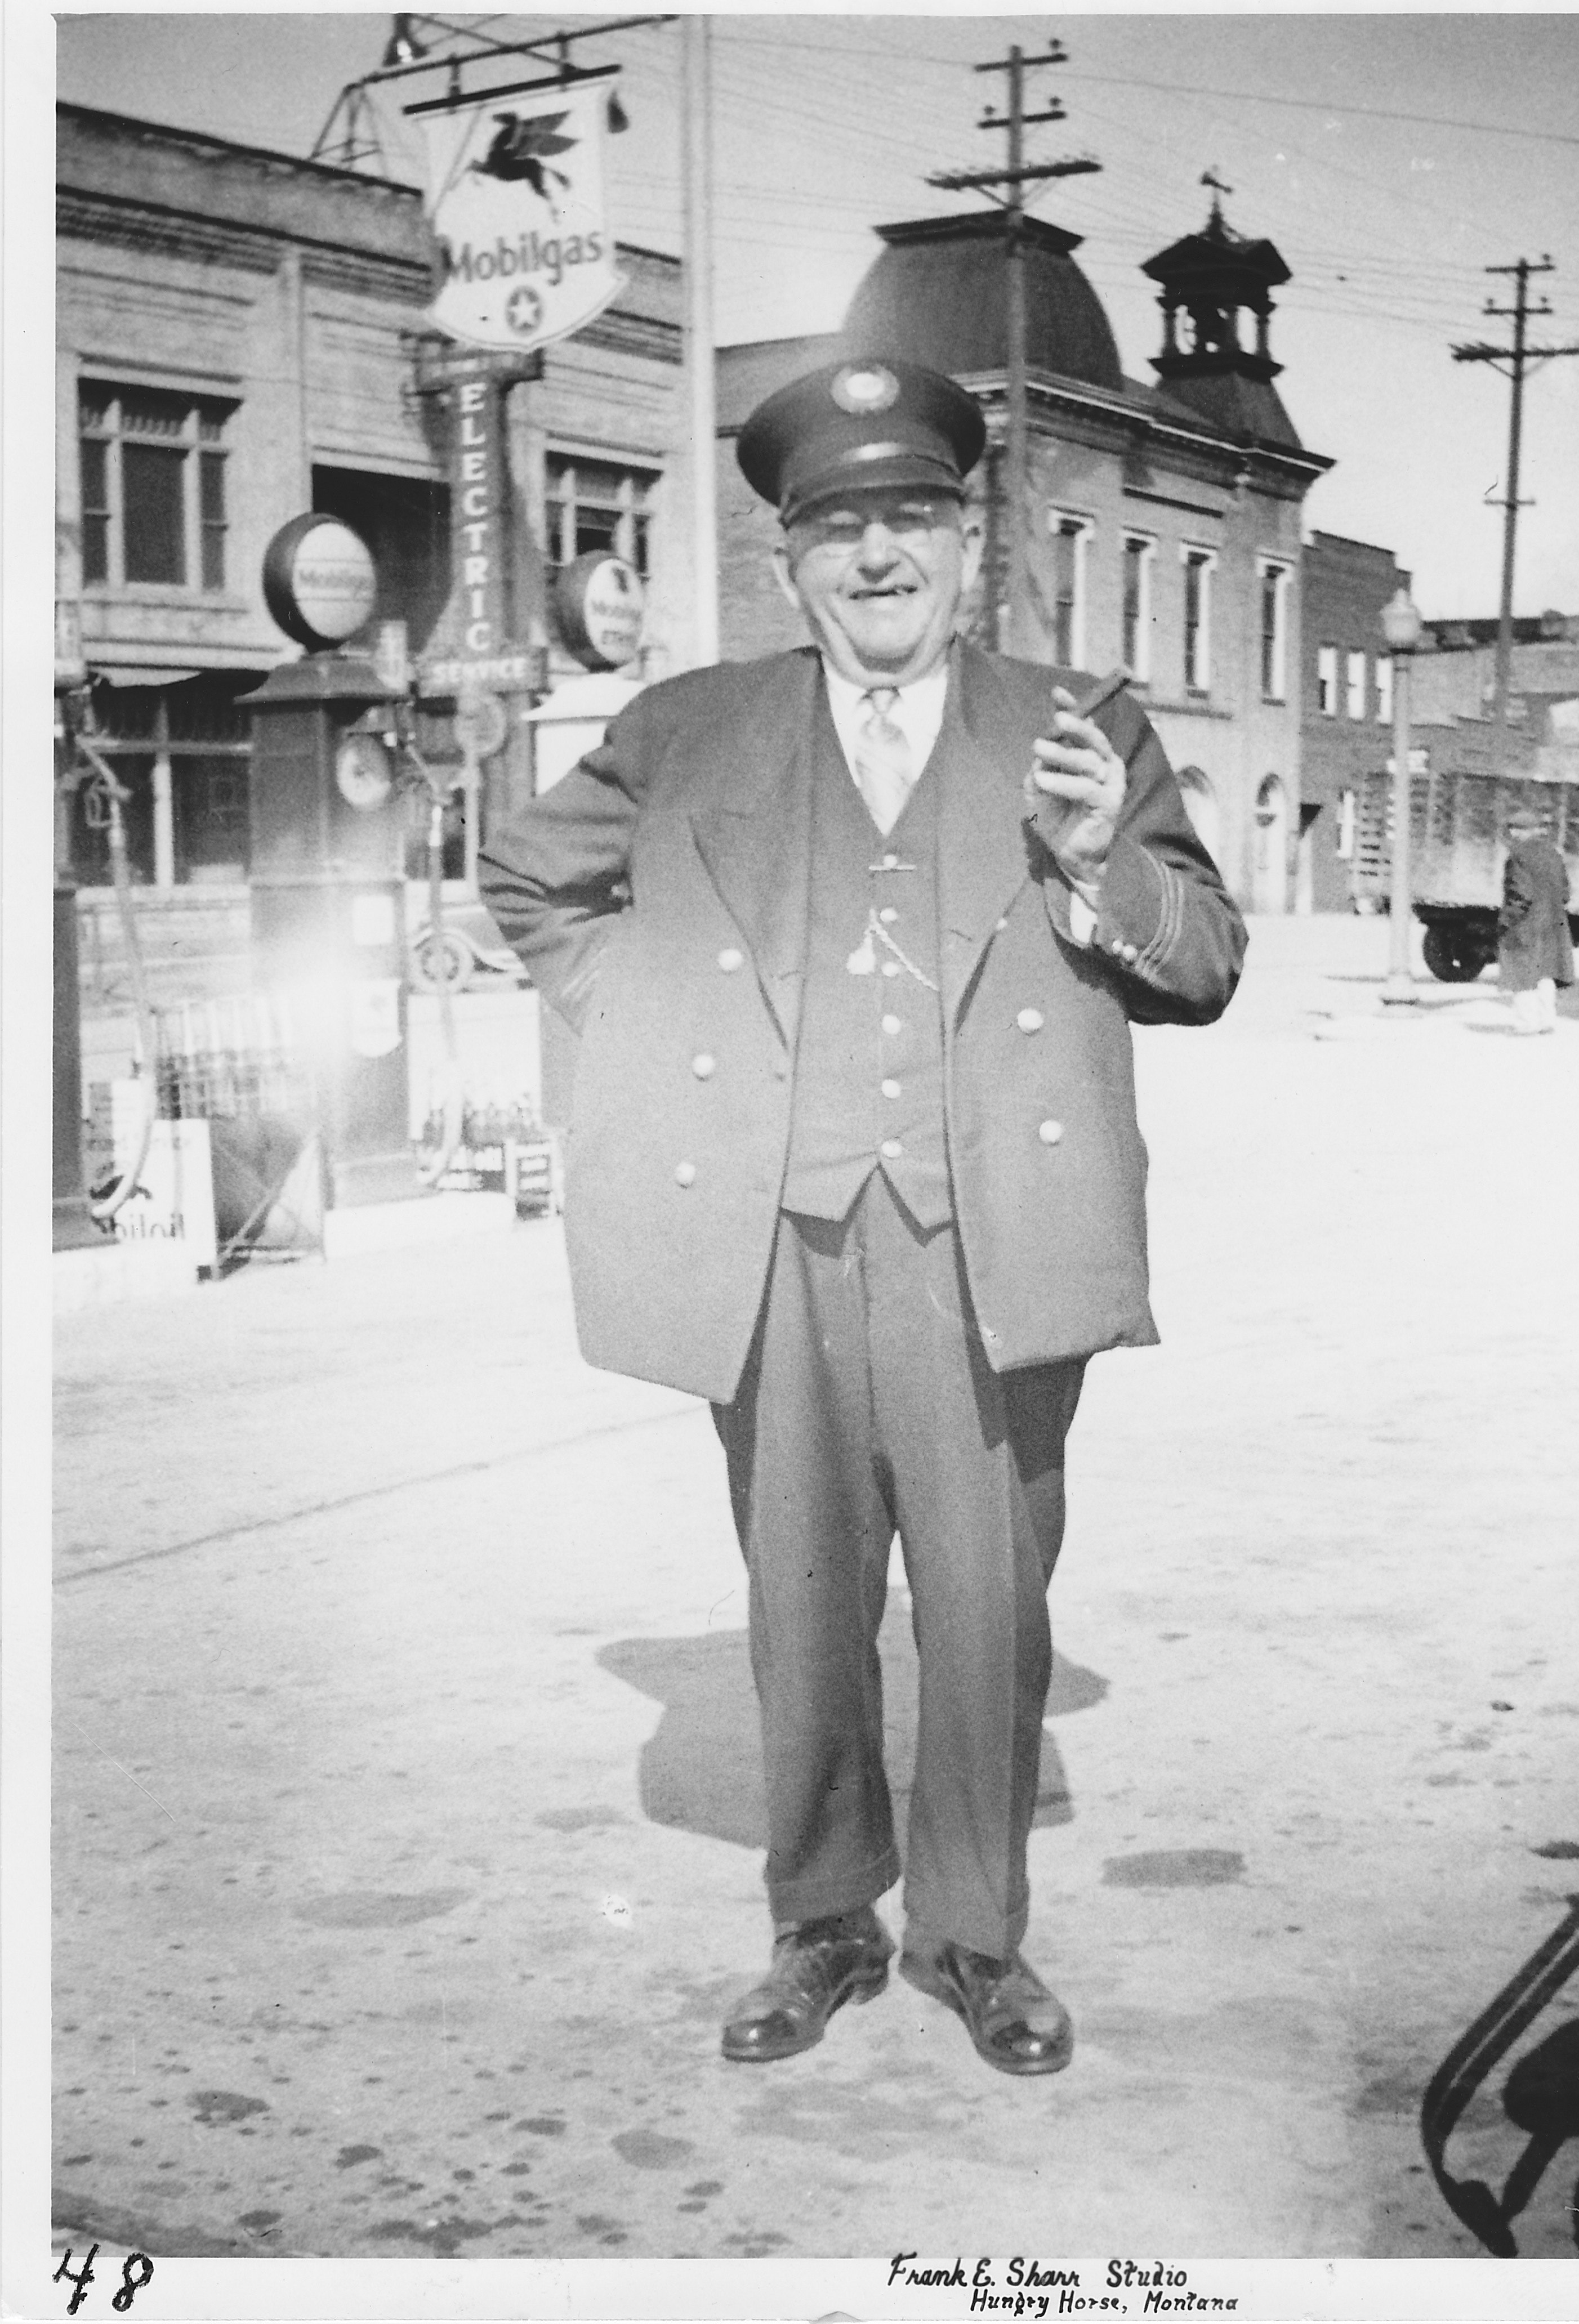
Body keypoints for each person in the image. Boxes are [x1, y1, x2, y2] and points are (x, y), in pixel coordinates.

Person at [480, 356, 1247, 2079]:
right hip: (774, 1239)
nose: (876, 554)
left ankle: (974, 1940)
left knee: (985, 1605)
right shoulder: (691, 725)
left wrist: (1082, 859)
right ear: (789, 562)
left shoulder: (1079, 722)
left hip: (992, 1243)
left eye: (909, 515)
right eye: (837, 525)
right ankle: (820, 1921)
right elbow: (528, 876)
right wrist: (668, 1018)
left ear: (967, 542)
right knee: (800, 1600)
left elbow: (1200, 961)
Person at [1497, 802, 1574, 1034]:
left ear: (1522, 831)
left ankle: (1526, 1024)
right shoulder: (1553, 854)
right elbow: (1565, 892)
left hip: (1526, 925)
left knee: (1523, 974)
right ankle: (1547, 1020)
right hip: (1553, 924)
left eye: (1514, 830)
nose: (1511, 834)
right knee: (1545, 973)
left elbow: (1521, 895)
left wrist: (1506, 921)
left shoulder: (1518, 857)